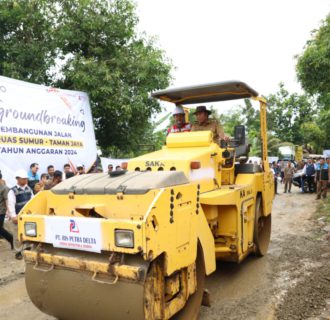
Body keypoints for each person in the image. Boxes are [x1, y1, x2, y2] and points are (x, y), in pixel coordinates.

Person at [0, 172, 13, 250]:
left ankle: (10, 238)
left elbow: (7, 200)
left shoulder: (5, 188)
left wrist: (8, 211)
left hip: (1, 211)